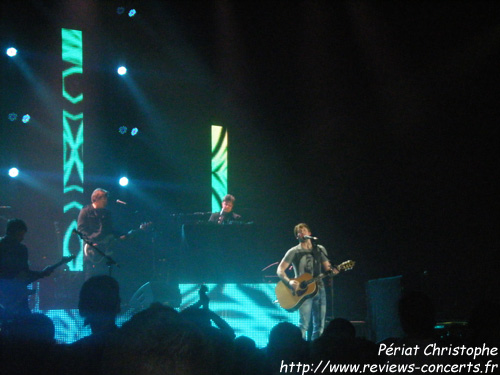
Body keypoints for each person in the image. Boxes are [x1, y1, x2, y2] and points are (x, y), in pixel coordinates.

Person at [277, 223, 338, 340]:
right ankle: (301, 349)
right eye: (299, 232)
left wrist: (334, 271)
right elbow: (280, 270)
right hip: (303, 291)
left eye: (304, 230)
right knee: (303, 325)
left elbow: (328, 269)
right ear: (297, 237)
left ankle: (316, 351)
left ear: (309, 233)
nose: (302, 233)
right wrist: (289, 282)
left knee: (320, 325)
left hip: (319, 289)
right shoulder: (293, 251)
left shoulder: (320, 249)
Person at [0, 219, 53, 318]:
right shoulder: (21, 249)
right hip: (16, 299)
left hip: (5, 296)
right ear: (16, 233)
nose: (22, 238)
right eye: (21, 235)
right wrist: (42, 273)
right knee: (24, 323)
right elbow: (24, 274)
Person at [77, 188, 124, 279]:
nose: (106, 201)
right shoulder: (85, 211)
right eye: (104, 198)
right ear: (96, 199)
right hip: (91, 252)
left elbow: (111, 230)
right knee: (90, 277)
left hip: (105, 251)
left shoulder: (107, 213)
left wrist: (120, 235)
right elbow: (81, 230)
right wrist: (91, 241)